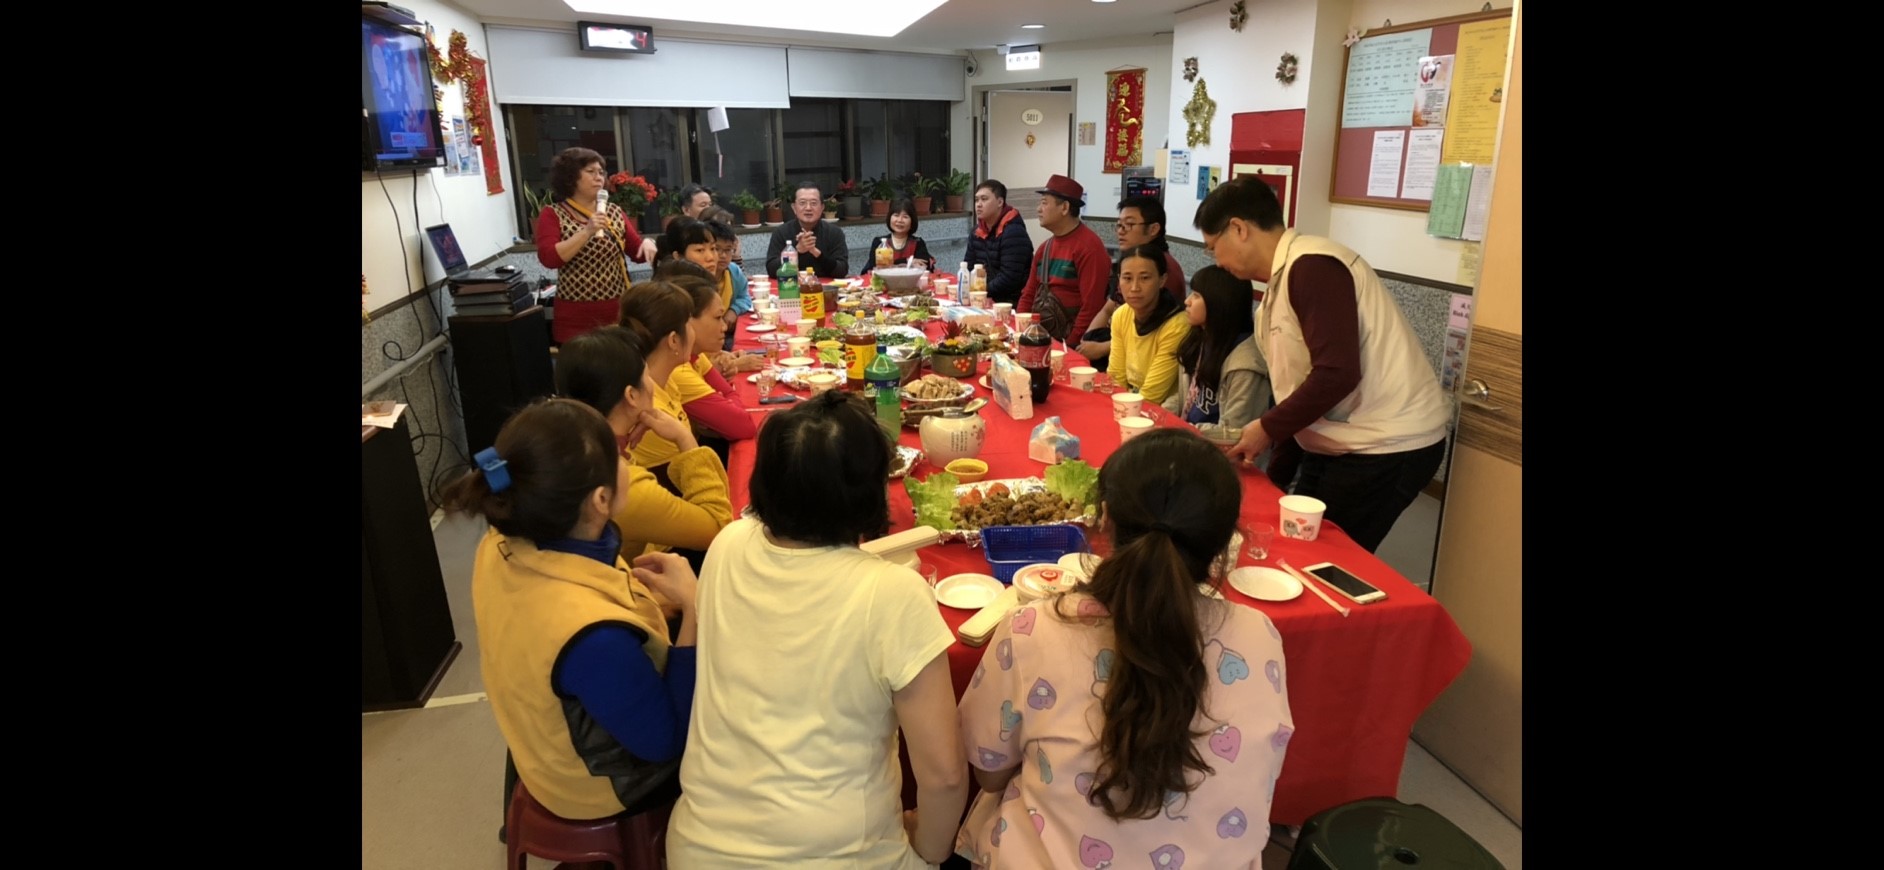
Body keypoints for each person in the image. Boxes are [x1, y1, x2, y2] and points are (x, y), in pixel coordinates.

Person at [955, 428, 1293, 868]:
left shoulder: (1032, 630)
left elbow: (989, 768)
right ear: (1226, 538)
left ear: (1105, 517)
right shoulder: (1259, 634)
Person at [666, 391, 967, 868]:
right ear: (873, 492)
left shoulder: (727, 545)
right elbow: (945, 778)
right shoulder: (893, 594)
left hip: (698, 847)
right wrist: (929, 856)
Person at [443, 398, 700, 824]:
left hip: (543, 747)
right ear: (601, 499)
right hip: (600, 785)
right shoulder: (594, 636)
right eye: (620, 455)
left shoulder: (502, 541)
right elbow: (666, 742)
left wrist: (653, 604)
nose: (627, 459)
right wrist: (694, 608)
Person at [1196, 175, 1450, 552]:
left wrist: (1265, 428)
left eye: (1213, 247)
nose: (1216, 261)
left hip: (1385, 444)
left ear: (1238, 229)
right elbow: (1296, 393)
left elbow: (1337, 373)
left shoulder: (1313, 266)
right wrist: (1275, 476)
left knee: (1327, 556)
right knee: (1293, 538)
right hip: (1334, 441)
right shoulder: (1277, 290)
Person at [554, 326, 734, 564]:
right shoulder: (620, 480)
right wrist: (685, 439)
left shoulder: (567, 443)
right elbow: (717, 527)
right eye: (647, 377)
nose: (652, 385)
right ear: (631, 396)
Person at [534, 147, 660, 344]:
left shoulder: (614, 211)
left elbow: (636, 252)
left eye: (601, 172)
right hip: (575, 318)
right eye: (590, 171)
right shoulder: (553, 214)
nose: (598, 177)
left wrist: (649, 243)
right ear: (570, 177)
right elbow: (549, 258)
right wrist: (587, 231)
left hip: (616, 313)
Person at [1078, 195, 1188, 369]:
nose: (1121, 231)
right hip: (1117, 346)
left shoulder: (1164, 270)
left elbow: (1151, 333)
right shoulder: (1129, 262)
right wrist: (1086, 341)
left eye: (1129, 224)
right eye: (1119, 225)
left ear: (1153, 229)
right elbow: (1107, 309)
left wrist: (1101, 348)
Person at [660, 273, 759, 458]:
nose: (724, 327)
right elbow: (743, 425)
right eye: (717, 318)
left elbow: (728, 391)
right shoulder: (678, 370)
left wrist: (727, 405)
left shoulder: (694, 355)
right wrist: (727, 407)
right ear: (687, 322)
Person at [616, 281, 702, 469]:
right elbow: (701, 481)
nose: (694, 331)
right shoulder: (651, 415)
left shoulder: (664, 380)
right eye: (689, 323)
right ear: (673, 340)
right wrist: (684, 437)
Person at [1178, 264, 1271, 439]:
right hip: (1189, 437)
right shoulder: (1200, 338)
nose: (1187, 301)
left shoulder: (1245, 364)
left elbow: (1235, 432)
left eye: (1196, 296)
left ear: (1219, 303)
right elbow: (1182, 396)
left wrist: (1182, 429)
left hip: (1217, 449)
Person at [1018, 174, 1112, 342]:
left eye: (1044, 203)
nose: (1039, 209)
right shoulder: (1044, 249)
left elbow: (1092, 307)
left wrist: (1070, 346)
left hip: (1071, 342)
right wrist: (1020, 332)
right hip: (1041, 337)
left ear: (1065, 207)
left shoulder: (1089, 248)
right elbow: (1029, 294)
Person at [1105, 242, 1191, 412]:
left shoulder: (1177, 325)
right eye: (1127, 278)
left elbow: (1152, 395)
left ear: (1162, 280)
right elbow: (1116, 377)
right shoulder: (1121, 314)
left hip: (1161, 411)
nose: (1135, 288)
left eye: (1145, 278)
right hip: (1128, 403)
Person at [964, 179, 1032, 305]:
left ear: (1000, 202)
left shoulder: (1013, 232)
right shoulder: (977, 231)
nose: (978, 204)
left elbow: (1010, 278)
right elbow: (968, 267)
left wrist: (981, 291)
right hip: (985, 297)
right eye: (976, 200)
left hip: (1010, 302)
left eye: (984, 199)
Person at [765, 181, 849, 279]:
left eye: (813, 203)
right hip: (791, 286)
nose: (808, 208)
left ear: (822, 207)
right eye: (802, 203)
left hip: (825, 287)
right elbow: (771, 270)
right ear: (794, 207)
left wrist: (818, 254)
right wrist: (797, 251)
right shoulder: (781, 232)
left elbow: (842, 271)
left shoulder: (834, 233)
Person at [702, 214, 751, 351]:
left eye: (728, 250)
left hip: (726, 332)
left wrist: (734, 310)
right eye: (717, 249)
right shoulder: (699, 276)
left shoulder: (733, 271)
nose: (723, 256)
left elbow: (744, 296)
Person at [862, 198, 935, 274]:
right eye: (896, 215)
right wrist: (907, 262)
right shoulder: (879, 242)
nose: (900, 220)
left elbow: (924, 268)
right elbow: (876, 268)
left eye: (905, 217)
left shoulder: (918, 243)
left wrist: (894, 265)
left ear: (912, 221)